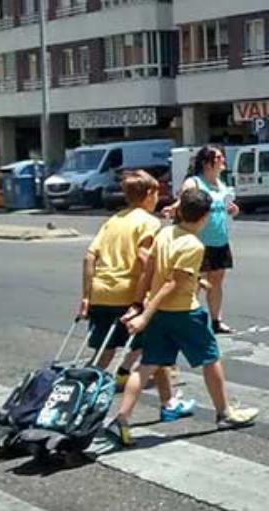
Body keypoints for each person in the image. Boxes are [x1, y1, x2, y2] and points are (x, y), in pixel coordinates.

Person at [107, 189, 258, 447]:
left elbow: (150, 272)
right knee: (211, 358)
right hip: (184, 312)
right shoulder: (194, 245)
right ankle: (225, 413)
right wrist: (144, 316)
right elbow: (172, 283)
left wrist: (138, 304)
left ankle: (121, 418)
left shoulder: (165, 234)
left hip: (160, 314)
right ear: (205, 217)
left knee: (145, 366)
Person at [79, 171, 193, 421]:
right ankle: (169, 403)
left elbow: (89, 257)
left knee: (104, 353)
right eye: (156, 193)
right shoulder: (148, 222)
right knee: (155, 349)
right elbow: (144, 257)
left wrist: (86, 296)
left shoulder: (113, 220)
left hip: (101, 293)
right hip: (128, 295)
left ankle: (80, 393)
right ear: (149, 195)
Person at [164, 145, 239, 334]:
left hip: (220, 239)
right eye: (219, 157)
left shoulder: (221, 184)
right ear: (206, 162)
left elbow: (224, 206)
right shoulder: (194, 182)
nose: (223, 160)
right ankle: (189, 320)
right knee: (194, 282)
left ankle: (216, 320)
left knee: (216, 281)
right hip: (199, 241)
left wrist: (233, 209)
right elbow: (185, 200)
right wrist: (173, 207)